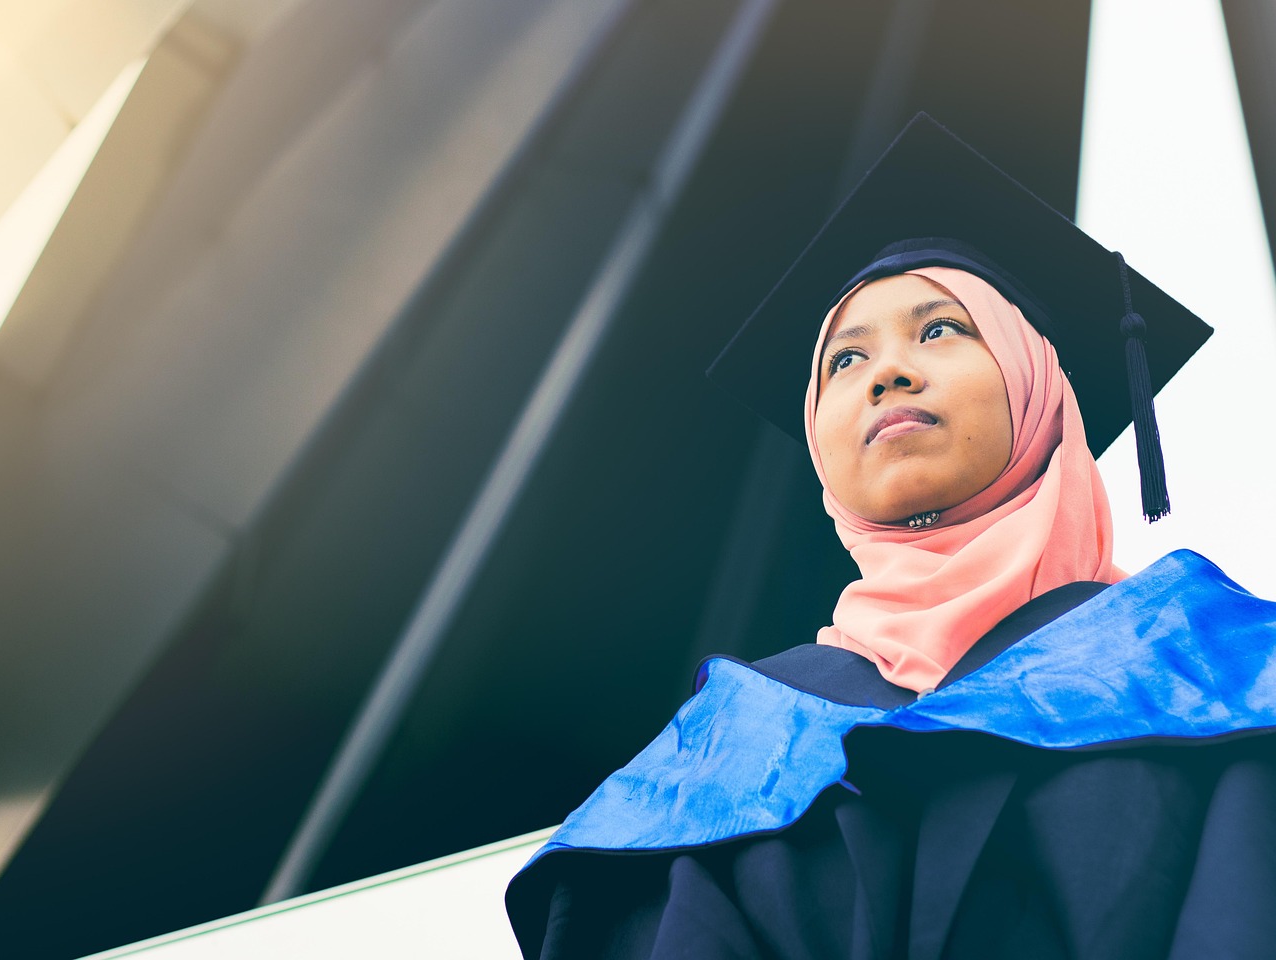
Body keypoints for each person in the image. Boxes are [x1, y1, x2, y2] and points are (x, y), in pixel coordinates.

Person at [505, 114, 1276, 959]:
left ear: (1038, 383)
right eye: (845, 361)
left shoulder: (1210, 662)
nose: (888, 372)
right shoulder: (729, 747)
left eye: (940, 329)